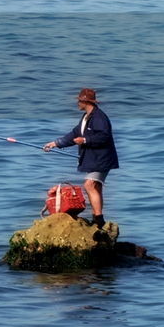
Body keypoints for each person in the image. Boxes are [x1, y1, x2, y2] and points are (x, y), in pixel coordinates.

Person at [43, 87, 118, 225]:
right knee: (95, 187)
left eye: (79, 101)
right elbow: (74, 134)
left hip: (102, 159)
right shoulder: (85, 117)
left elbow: (104, 136)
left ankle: (98, 220)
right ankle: (98, 218)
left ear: (86, 101)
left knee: (89, 185)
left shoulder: (99, 117)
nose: (77, 103)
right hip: (94, 159)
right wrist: (56, 143)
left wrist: (85, 140)